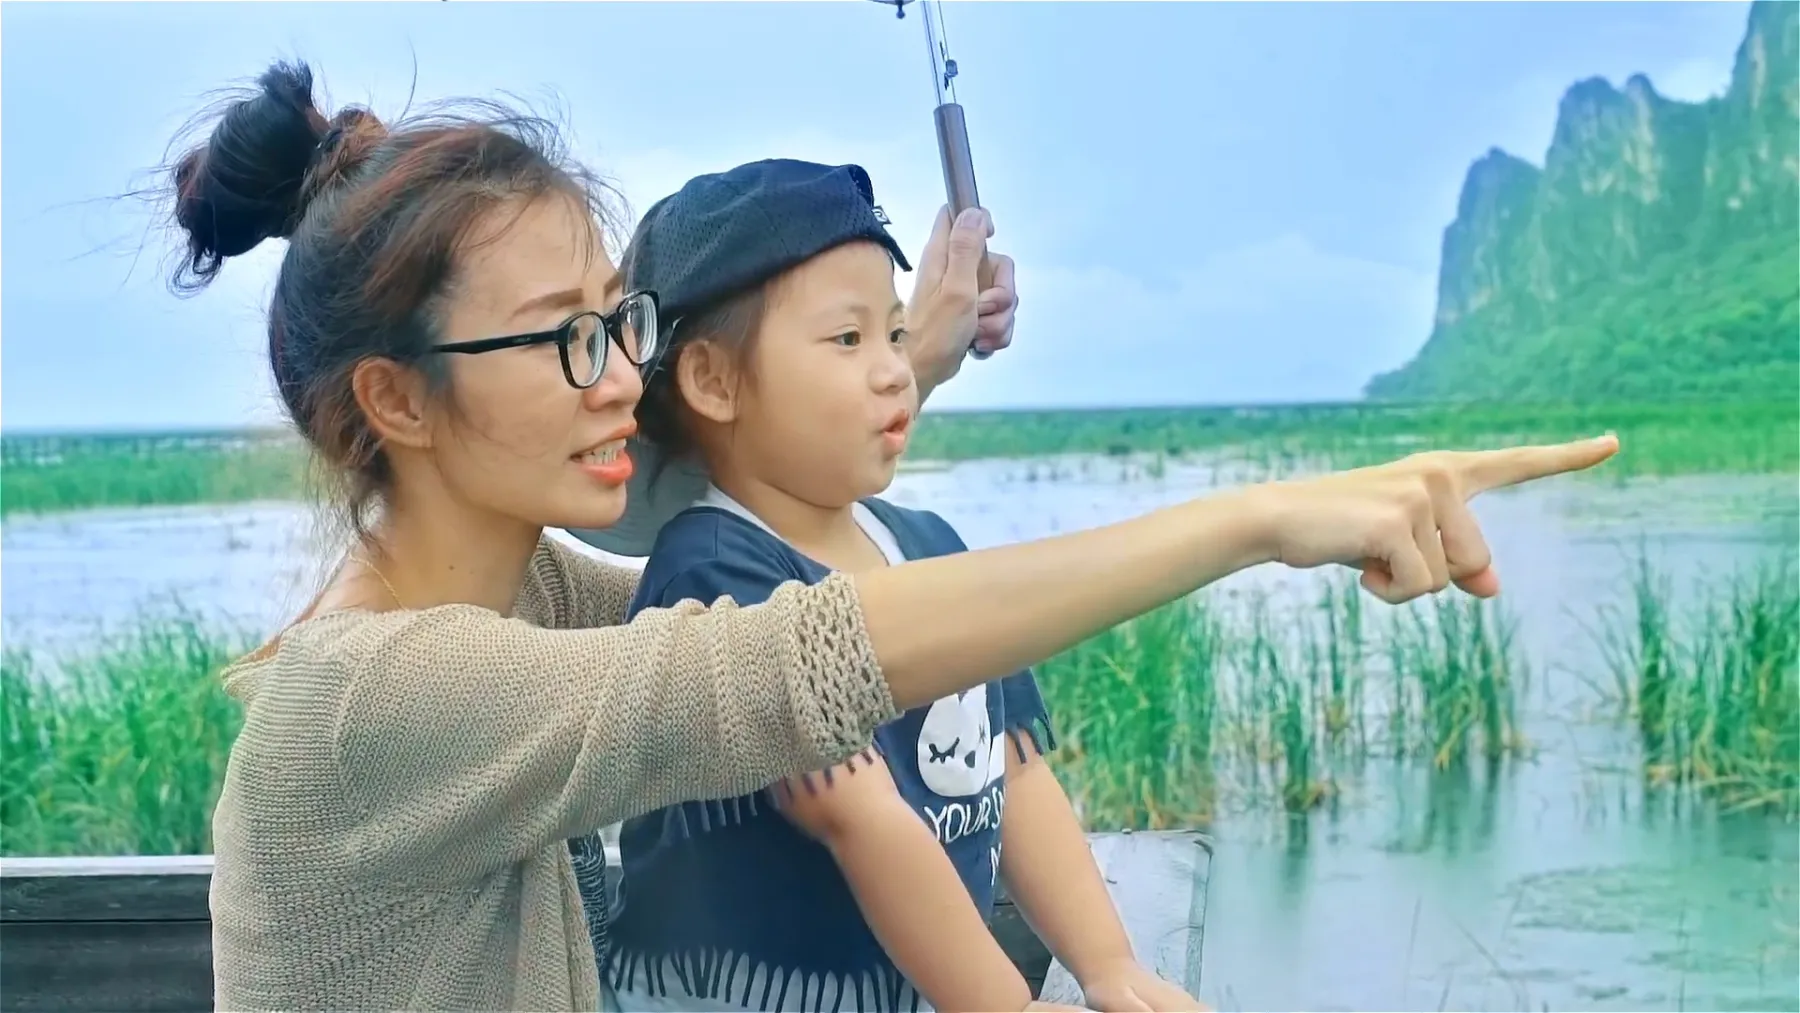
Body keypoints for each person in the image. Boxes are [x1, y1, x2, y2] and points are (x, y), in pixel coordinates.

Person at [164, 60, 1618, 1012]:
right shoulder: (379, 702)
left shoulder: (516, 590)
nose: (623, 374)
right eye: (568, 340)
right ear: (392, 399)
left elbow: (768, 535)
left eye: (626, 320)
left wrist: (889, 362)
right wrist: (1253, 520)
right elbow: (799, 654)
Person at [564, 158, 1198, 1013]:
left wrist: (1109, 966)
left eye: (896, 334)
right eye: (847, 339)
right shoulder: (714, 571)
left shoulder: (928, 546)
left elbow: (1015, 776)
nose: (896, 370)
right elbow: (861, 821)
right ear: (713, 381)